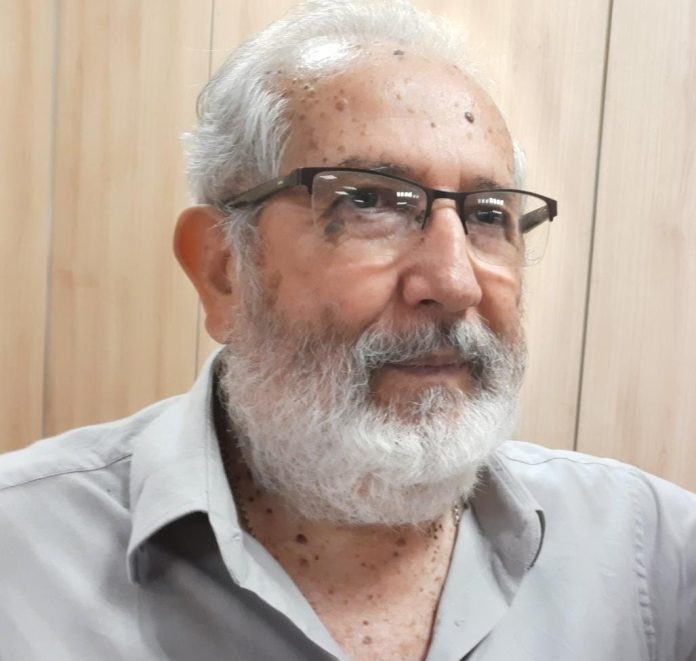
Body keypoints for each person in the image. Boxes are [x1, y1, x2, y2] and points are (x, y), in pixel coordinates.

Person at [1, 1, 695, 659]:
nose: (454, 282)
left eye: (488, 215)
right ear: (223, 270)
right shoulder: (23, 560)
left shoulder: (655, 557)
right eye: (369, 202)